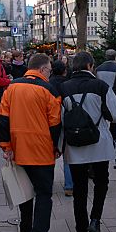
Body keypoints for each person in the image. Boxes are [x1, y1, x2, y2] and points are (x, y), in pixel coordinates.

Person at [0, 53, 61, 232]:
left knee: (24, 191)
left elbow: (3, 118)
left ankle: (25, 228)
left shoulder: (12, 86)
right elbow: (55, 123)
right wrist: (55, 147)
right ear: (42, 69)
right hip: (41, 150)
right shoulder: (49, 90)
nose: (50, 73)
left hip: (19, 148)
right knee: (43, 193)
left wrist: (7, 146)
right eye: (49, 70)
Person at [61, 52, 116, 232]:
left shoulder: (63, 87)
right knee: (101, 182)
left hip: (74, 145)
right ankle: (95, 219)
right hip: (99, 144)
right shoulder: (101, 86)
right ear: (90, 65)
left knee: (79, 188)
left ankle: (81, 230)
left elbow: (60, 119)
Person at [49, 60, 73, 197]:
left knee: (50, 154)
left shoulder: (48, 84)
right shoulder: (68, 84)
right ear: (64, 71)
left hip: (51, 121)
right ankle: (69, 185)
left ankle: (48, 183)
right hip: (67, 120)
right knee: (68, 155)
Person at [96, 49, 116, 138]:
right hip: (115, 96)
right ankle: (113, 136)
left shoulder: (98, 69)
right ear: (115, 57)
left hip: (101, 96)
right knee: (114, 118)